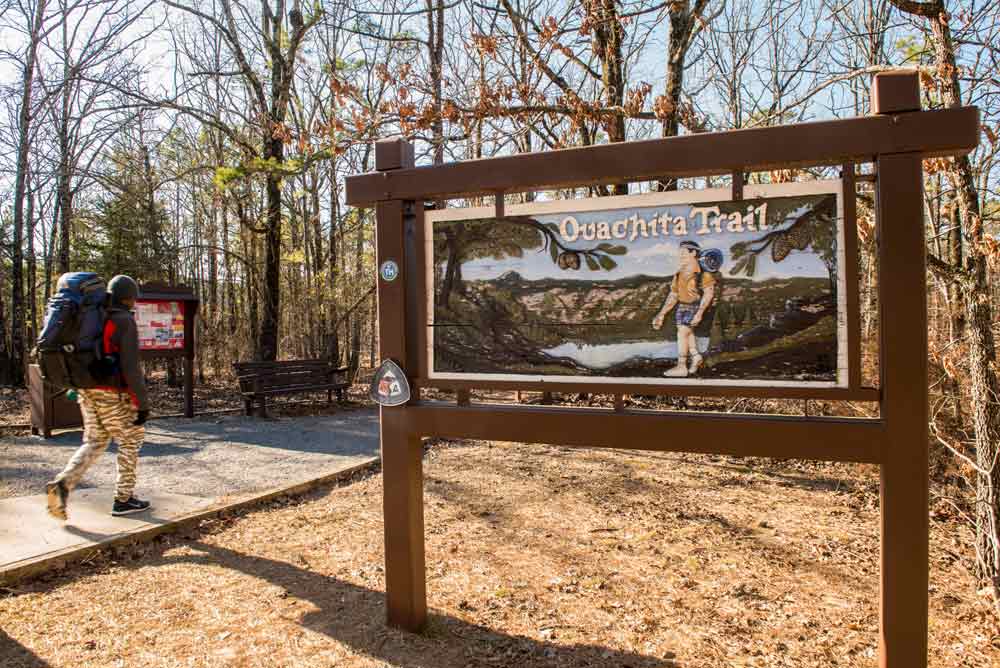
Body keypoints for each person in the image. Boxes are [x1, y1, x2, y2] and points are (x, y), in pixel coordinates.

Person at [46, 275, 152, 519]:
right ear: (128, 298)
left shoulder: (96, 317)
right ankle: (123, 499)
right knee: (131, 440)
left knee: (95, 442)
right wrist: (142, 403)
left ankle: (62, 484)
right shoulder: (123, 320)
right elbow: (131, 367)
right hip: (112, 394)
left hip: (87, 391)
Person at [651, 240, 718, 377]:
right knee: (687, 333)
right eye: (679, 252)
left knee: (682, 333)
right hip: (681, 307)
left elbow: (708, 293)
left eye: (683, 252)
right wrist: (661, 314)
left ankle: (681, 366)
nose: (680, 255)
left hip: (694, 307)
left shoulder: (704, 274)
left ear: (693, 253)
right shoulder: (679, 274)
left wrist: (699, 313)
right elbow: (673, 295)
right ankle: (695, 356)